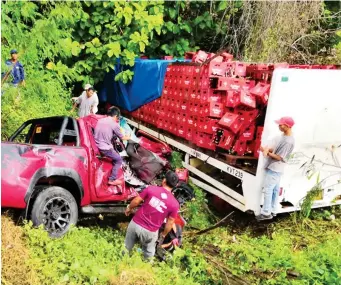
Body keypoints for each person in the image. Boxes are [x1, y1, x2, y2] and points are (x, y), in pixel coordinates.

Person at [124, 171, 180, 259]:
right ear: (175, 186)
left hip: (136, 224)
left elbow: (136, 200)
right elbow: (170, 222)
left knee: (126, 247)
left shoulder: (151, 189)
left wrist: (129, 208)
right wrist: (163, 234)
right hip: (151, 231)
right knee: (149, 254)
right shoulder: (175, 204)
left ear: (164, 180)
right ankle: (146, 268)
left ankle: (121, 262)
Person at [256, 116, 295, 221]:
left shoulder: (288, 141)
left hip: (275, 169)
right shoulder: (283, 137)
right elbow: (276, 149)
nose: (279, 126)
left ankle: (266, 213)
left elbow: (279, 157)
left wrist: (267, 153)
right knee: (274, 190)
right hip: (276, 168)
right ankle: (273, 210)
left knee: (268, 190)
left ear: (287, 126)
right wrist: (266, 149)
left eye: (280, 124)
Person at [94, 106, 130, 185]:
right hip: (104, 148)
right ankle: (112, 179)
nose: (117, 119)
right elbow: (123, 137)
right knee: (118, 159)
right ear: (116, 116)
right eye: (117, 118)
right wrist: (129, 137)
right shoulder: (114, 124)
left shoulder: (100, 120)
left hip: (95, 144)